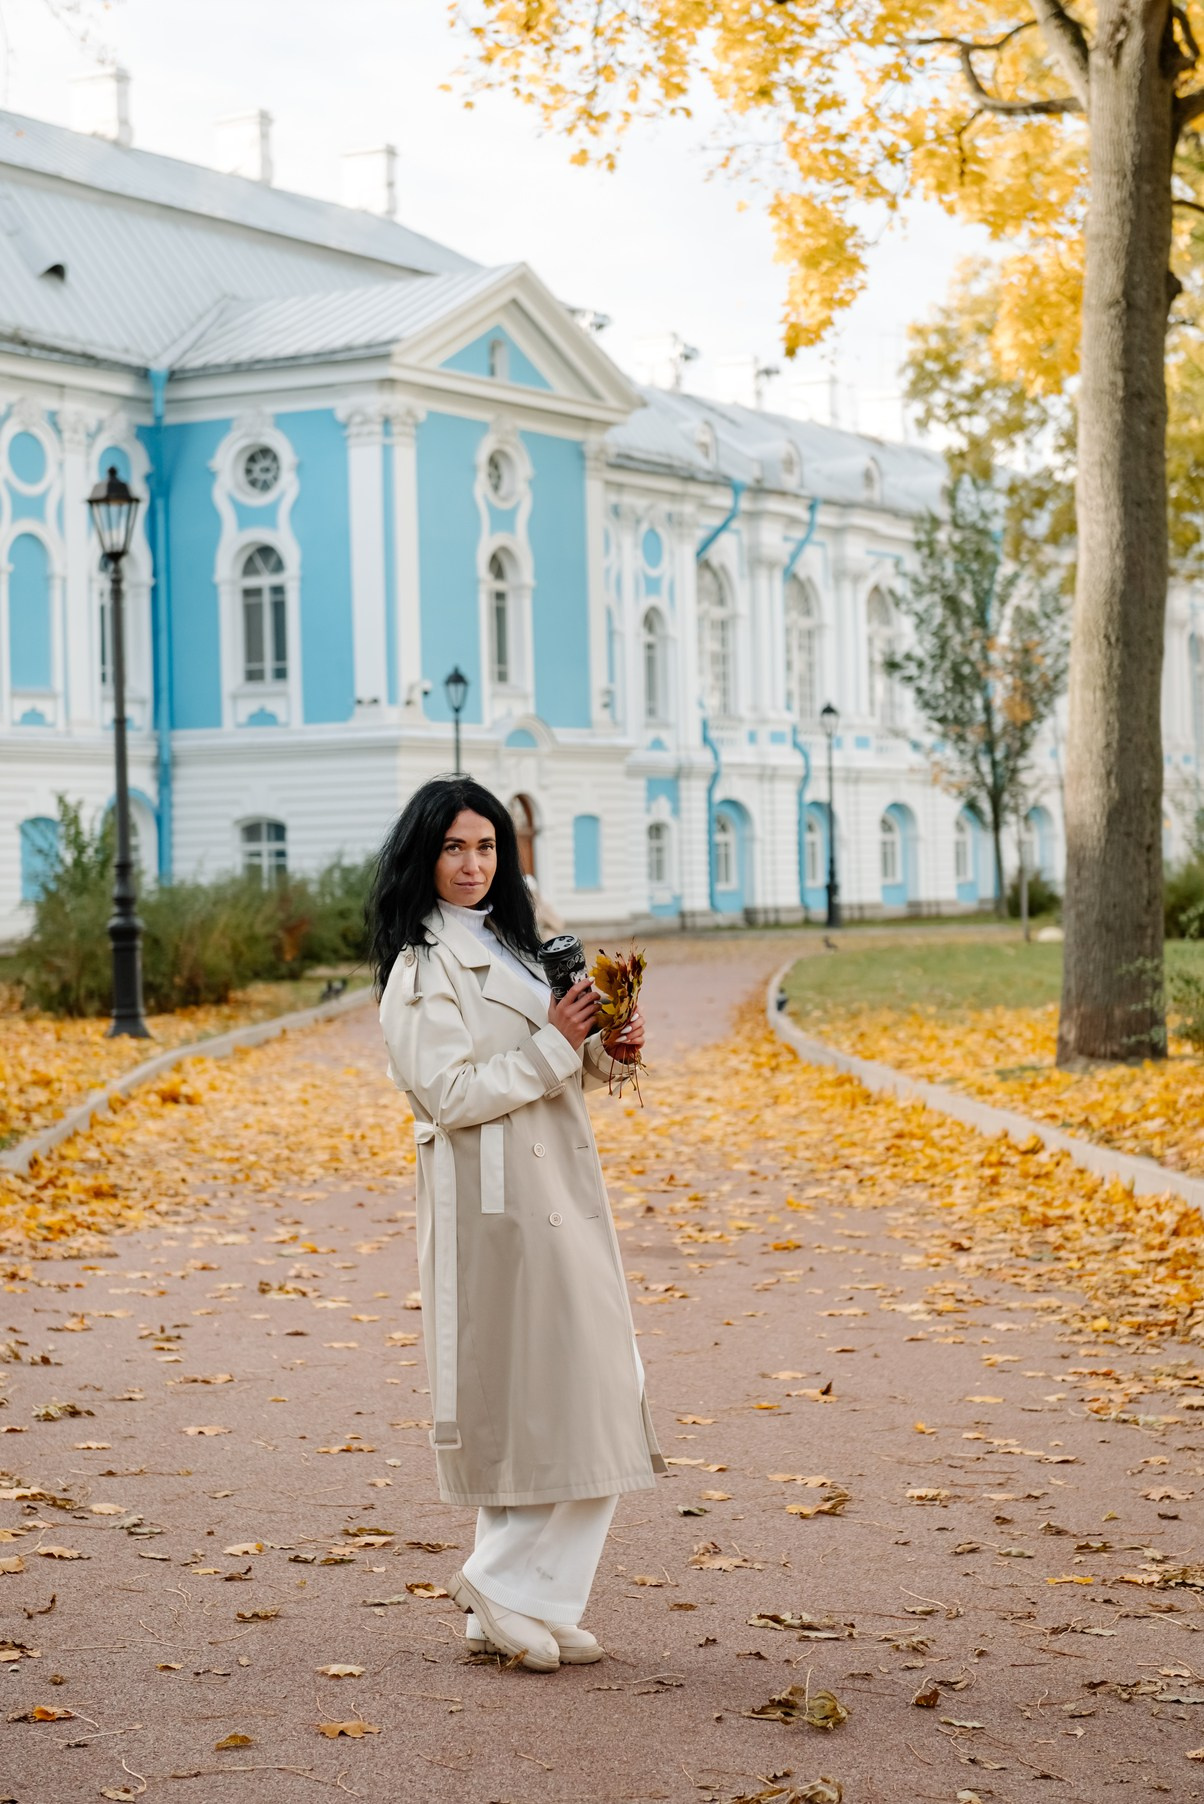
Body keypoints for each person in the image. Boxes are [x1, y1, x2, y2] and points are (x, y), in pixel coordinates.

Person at [369, 775, 666, 1672]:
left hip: (554, 1190)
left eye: (487, 846)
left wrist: (608, 1050)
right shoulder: (420, 969)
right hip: (494, 1203)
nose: (472, 864)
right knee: (559, 1394)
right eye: (455, 848)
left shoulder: (514, 943)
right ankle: (506, 1586)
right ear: (425, 856)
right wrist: (552, 1043)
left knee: (566, 1393)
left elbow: (560, 1063)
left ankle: (529, 1597)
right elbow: (447, 1093)